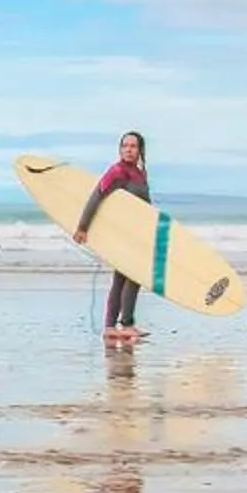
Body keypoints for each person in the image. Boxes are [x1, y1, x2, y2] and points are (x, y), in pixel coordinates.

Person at [73, 130, 148, 344]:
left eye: (133, 146)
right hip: (122, 234)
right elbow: (96, 197)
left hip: (135, 234)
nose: (128, 150)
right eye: (125, 146)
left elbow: (144, 208)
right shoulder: (116, 172)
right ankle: (125, 324)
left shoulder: (139, 174)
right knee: (133, 276)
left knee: (122, 278)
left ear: (140, 150)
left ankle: (110, 326)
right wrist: (82, 227)